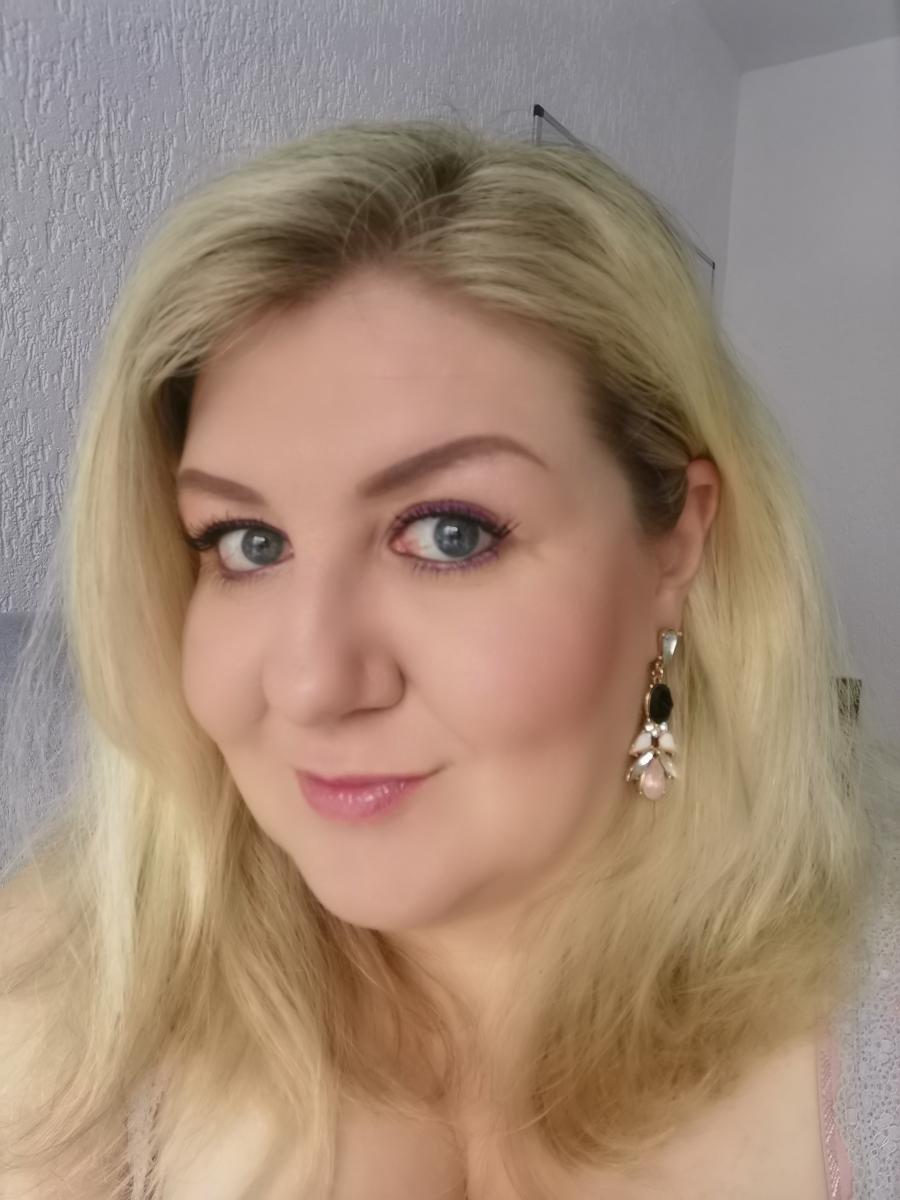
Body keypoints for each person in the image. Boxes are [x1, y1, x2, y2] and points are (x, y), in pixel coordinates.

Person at [1, 117, 898, 1200]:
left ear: (677, 540)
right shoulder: (65, 994)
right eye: (247, 543)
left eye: (450, 532)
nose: (312, 684)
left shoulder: (869, 1009)